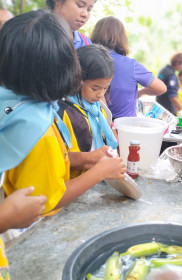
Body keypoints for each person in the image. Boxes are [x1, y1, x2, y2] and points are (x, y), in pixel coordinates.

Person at [0, 10, 126, 220]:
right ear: (63, 69)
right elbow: (46, 201)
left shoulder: (13, 103)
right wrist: (99, 172)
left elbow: (48, 162)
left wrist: (86, 158)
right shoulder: (39, 128)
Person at [58, 44, 119, 178]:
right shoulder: (62, 113)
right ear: (76, 80)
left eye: (105, 88)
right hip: (72, 183)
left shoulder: (98, 111)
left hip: (94, 179)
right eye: (95, 88)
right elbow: (57, 159)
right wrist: (89, 158)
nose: (100, 94)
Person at [90, 16, 166, 118]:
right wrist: (141, 92)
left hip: (93, 123)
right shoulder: (131, 66)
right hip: (124, 127)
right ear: (122, 38)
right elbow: (161, 88)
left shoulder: (86, 59)